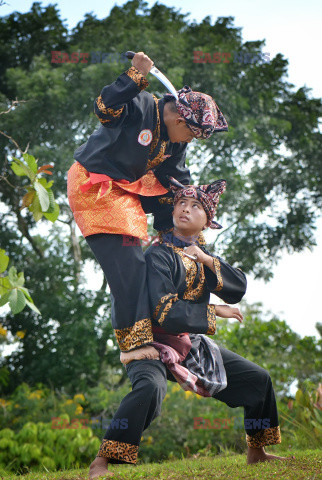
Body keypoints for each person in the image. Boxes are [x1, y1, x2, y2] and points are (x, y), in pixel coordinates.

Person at [88, 178, 294, 478]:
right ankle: (102, 461)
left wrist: (207, 259)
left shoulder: (198, 254)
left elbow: (237, 289)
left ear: (207, 221)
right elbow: (164, 311)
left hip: (188, 343)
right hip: (149, 341)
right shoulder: (159, 254)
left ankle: (257, 452)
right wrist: (213, 311)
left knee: (258, 380)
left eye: (195, 206)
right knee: (150, 388)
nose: (185, 209)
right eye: (181, 203)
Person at [67, 51, 228, 357]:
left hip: (128, 188)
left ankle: (170, 312)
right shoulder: (141, 105)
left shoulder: (176, 142)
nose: (189, 141)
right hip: (95, 185)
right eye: (192, 135)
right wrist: (134, 77)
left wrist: (194, 235)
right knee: (130, 263)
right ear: (179, 119)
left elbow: (178, 182)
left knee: (177, 201)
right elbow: (105, 108)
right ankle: (133, 345)